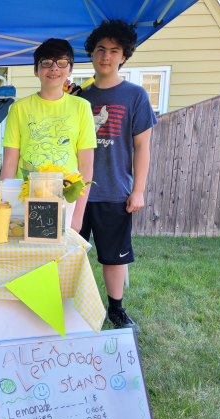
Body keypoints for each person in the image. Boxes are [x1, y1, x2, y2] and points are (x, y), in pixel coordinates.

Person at [72, 20, 157, 333]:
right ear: (91, 54)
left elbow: (142, 147)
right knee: (71, 254)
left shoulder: (135, 96)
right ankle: (69, 307)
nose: (105, 56)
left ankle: (116, 310)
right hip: (75, 192)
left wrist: (139, 190)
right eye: (100, 49)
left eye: (113, 50)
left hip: (114, 190)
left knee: (114, 257)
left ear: (124, 56)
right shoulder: (77, 96)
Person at [0, 39, 96, 232]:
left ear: (70, 70)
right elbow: (10, 162)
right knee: (26, 250)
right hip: (24, 198)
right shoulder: (19, 108)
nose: (54, 68)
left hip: (66, 200)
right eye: (46, 62)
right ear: (36, 70)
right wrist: (4, 207)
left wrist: (78, 215)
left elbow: (86, 165)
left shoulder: (82, 107)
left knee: (60, 252)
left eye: (61, 62)